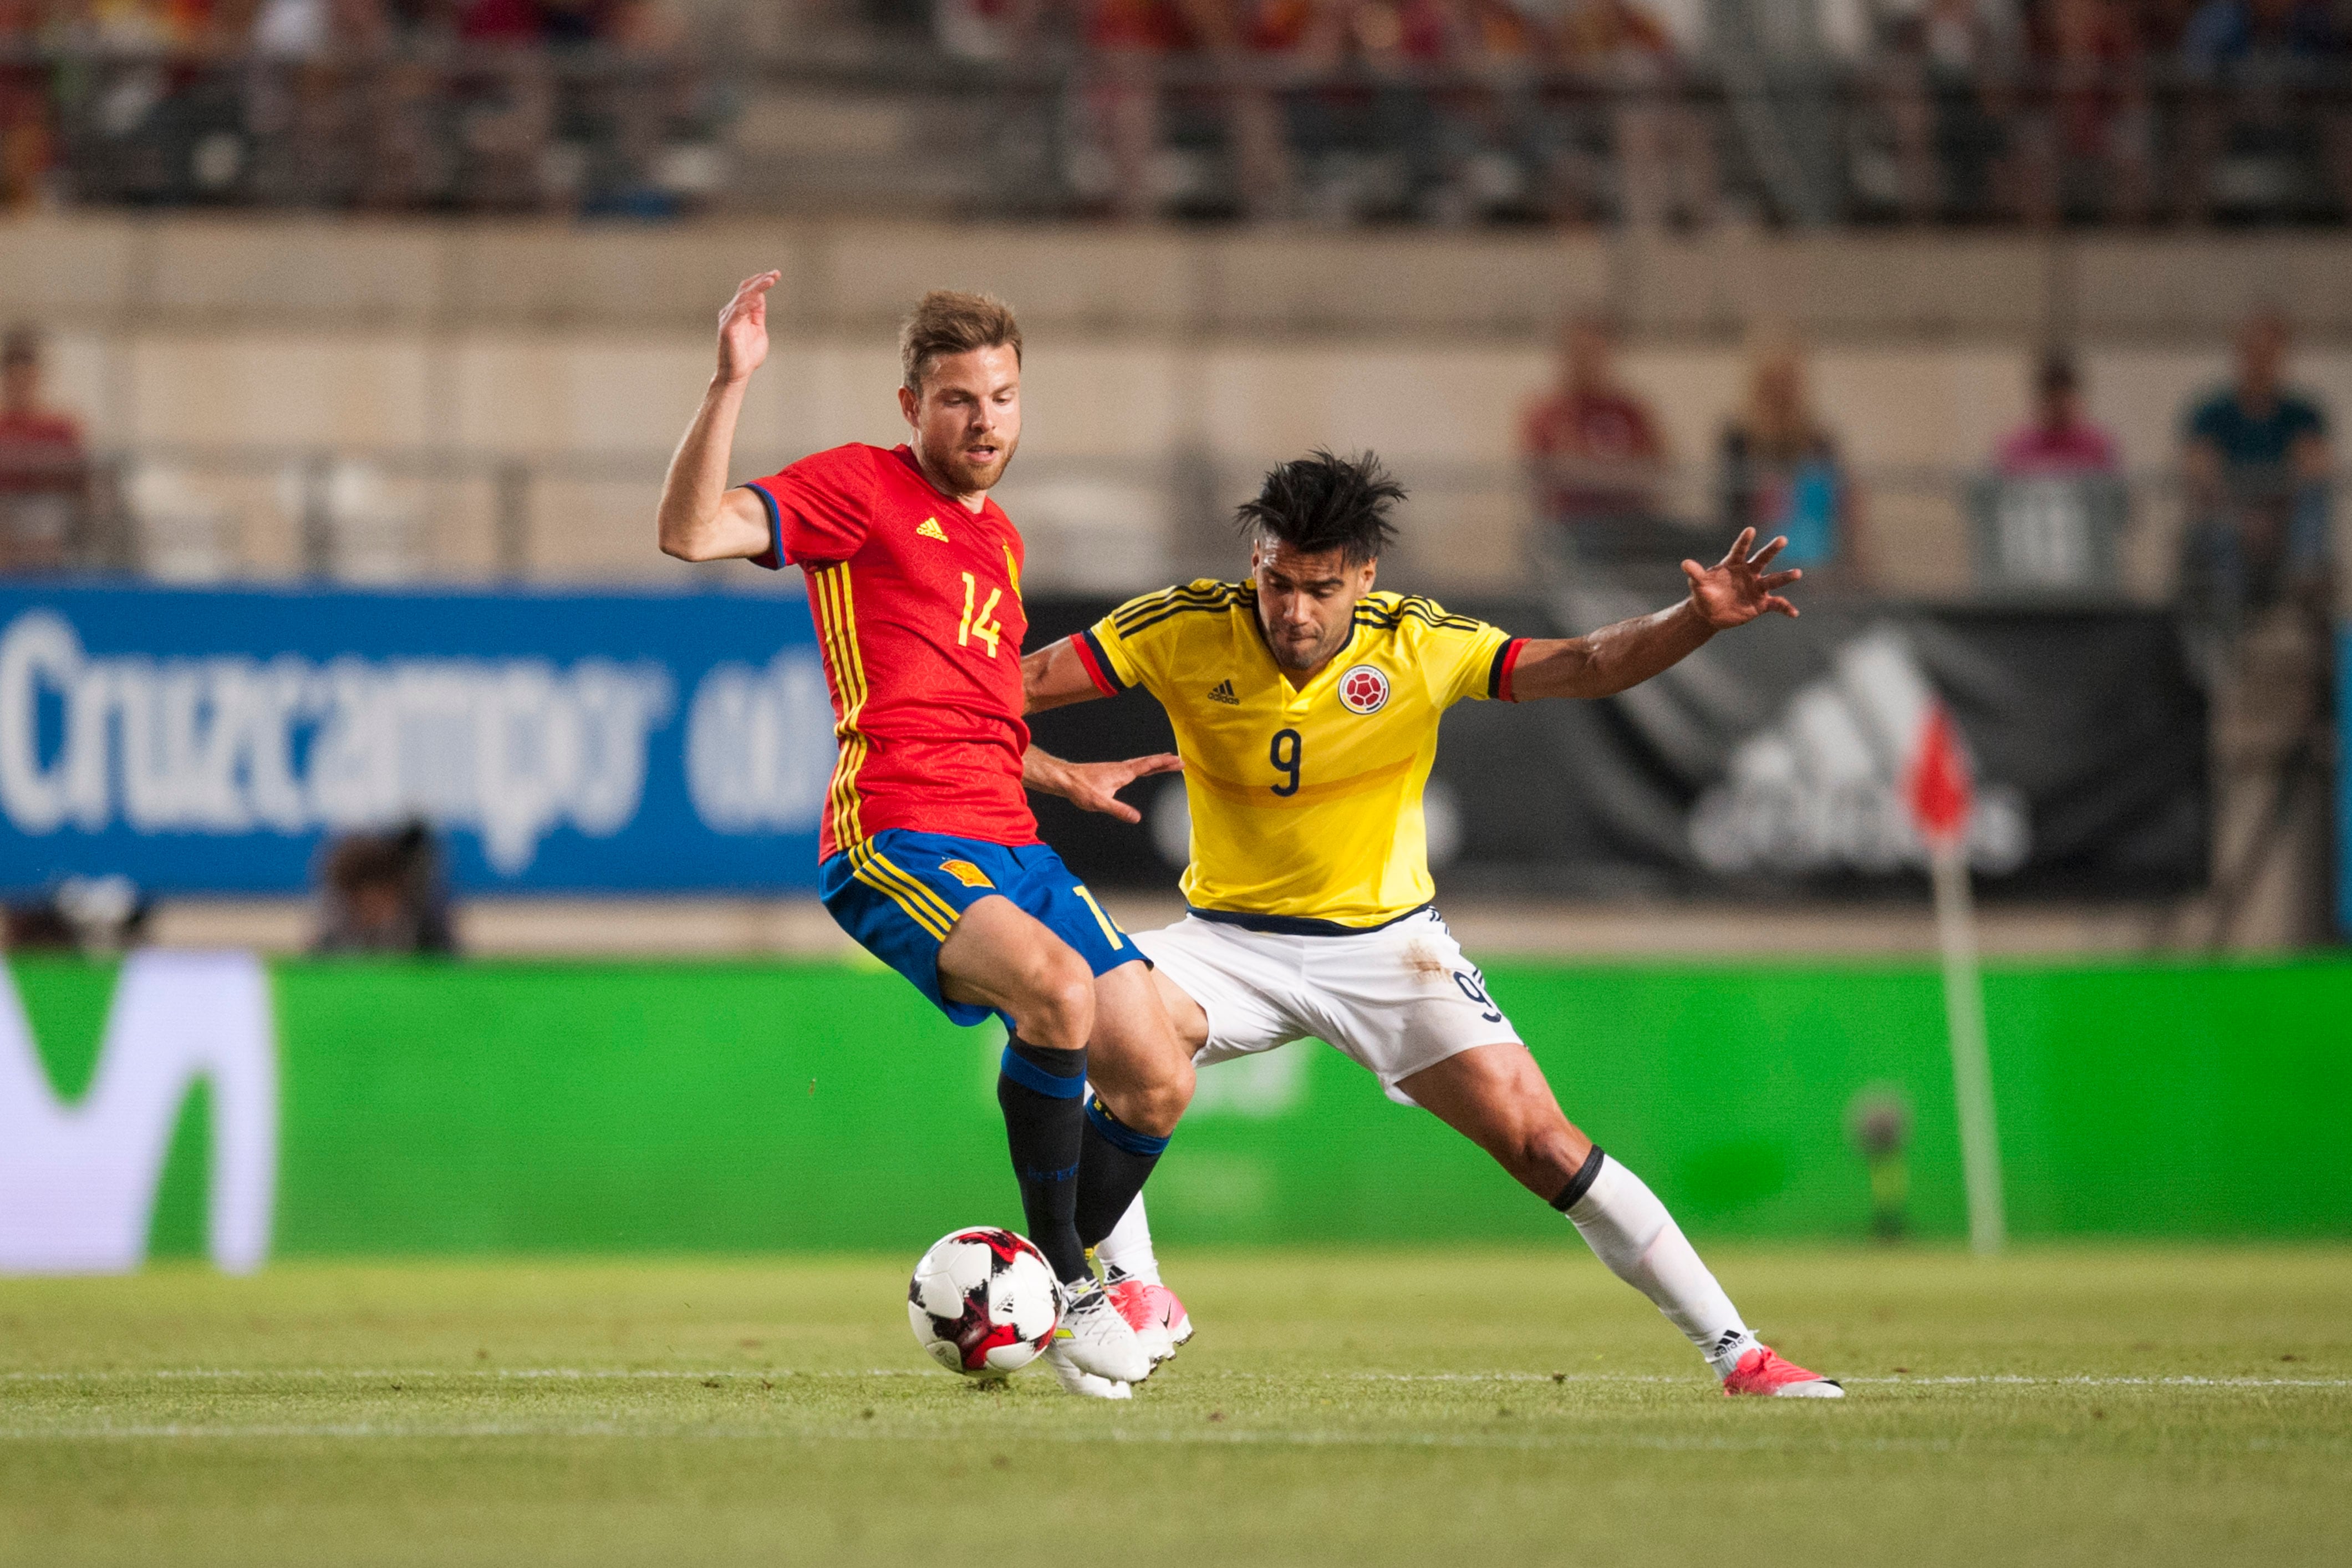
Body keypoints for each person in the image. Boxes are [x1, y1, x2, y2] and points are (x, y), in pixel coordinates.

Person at [1023, 449, 1843, 1397]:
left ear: (1364, 577)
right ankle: (1133, 1291)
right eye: (1276, 582)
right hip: (1226, 942)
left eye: (1319, 589)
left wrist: (1693, 618)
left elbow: (1581, 664)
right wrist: (1051, 770)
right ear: (1253, 561)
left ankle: (1737, 1351)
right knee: (1089, 1021)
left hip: (1387, 948)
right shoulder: (1179, 626)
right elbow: (1010, 688)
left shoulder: (1420, 643)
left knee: (1541, 1141)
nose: (1292, 610)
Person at [655, 277, 1193, 1399]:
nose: (985, 420)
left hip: (1012, 839)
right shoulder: (858, 487)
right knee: (1057, 992)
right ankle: (1073, 1285)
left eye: (1002, 396)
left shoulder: (999, 540)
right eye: (958, 399)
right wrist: (729, 383)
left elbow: (980, 708)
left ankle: (1033, 1299)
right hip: (895, 832)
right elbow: (692, 531)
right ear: (912, 405)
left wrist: (1058, 771)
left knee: (1158, 1070)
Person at [2178, 307, 2334, 626]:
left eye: (2268, 351)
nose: (2260, 360)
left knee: (2314, 505)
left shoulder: (2303, 414)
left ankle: (2303, 599)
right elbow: (2199, 474)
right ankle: (2228, 626)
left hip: (2283, 523)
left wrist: (2271, 515)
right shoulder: (2212, 414)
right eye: (2252, 350)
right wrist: (2243, 518)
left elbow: (2314, 471)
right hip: (2231, 523)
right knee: (2218, 532)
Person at [1519, 312, 1669, 562]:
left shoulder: (1629, 410)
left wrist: (1600, 475)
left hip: (1634, 524)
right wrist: (1617, 475)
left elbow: (1657, 469)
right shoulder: (1549, 413)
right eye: (1579, 353)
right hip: (1575, 528)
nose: (1587, 363)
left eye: (1595, 353)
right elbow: (1555, 475)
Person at [1718, 326, 1863, 583]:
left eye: (1788, 383)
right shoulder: (1739, 442)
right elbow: (1731, 513)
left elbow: (1842, 508)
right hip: (1761, 567)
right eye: (1773, 384)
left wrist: (1853, 561)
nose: (1781, 394)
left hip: (1820, 566)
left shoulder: (1820, 443)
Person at [0, 325, 90, 571]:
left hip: (48, 511)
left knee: (45, 517)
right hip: (5, 511)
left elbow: (80, 479)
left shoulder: (59, 427)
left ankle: (44, 581)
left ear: (37, 379)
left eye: (26, 381)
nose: (20, 389)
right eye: (14, 381)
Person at [1995, 349, 2119, 477]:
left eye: (2063, 399)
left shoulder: (2098, 447)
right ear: (2040, 399)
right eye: (2052, 399)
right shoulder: (2017, 448)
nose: (2058, 407)